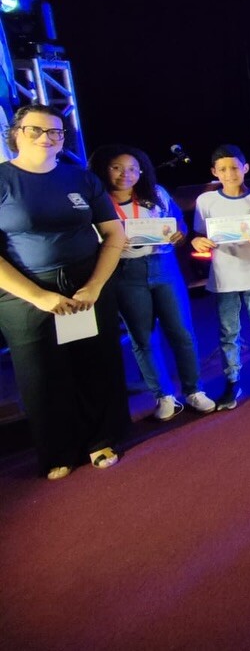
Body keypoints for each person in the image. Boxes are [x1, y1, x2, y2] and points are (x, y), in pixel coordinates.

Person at [0, 105, 129, 479]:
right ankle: (58, 450)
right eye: (36, 130)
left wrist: (94, 286)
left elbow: (114, 235)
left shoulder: (81, 179)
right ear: (17, 133)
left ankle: (101, 438)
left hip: (87, 285)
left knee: (95, 363)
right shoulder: (3, 180)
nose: (47, 138)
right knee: (41, 374)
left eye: (55, 132)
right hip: (24, 293)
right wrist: (39, 297)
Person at [90, 144, 214, 420]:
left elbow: (179, 223)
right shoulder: (98, 201)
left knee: (182, 331)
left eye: (133, 168)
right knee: (142, 337)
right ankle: (163, 396)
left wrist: (180, 234)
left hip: (164, 265)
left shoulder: (156, 193)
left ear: (142, 171)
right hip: (125, 272)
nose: (125, 174)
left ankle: (194, 390)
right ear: (104, 170)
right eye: (117, 168)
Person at [192, 143, 250, 409]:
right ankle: (232, 382)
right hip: (223, 276)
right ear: (214, 172)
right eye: (222, 169)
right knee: (228, 333)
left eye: (234, 167)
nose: (229, 173)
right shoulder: (206, 201)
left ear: (245, 168)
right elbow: (198, 235)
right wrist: (198, 243)